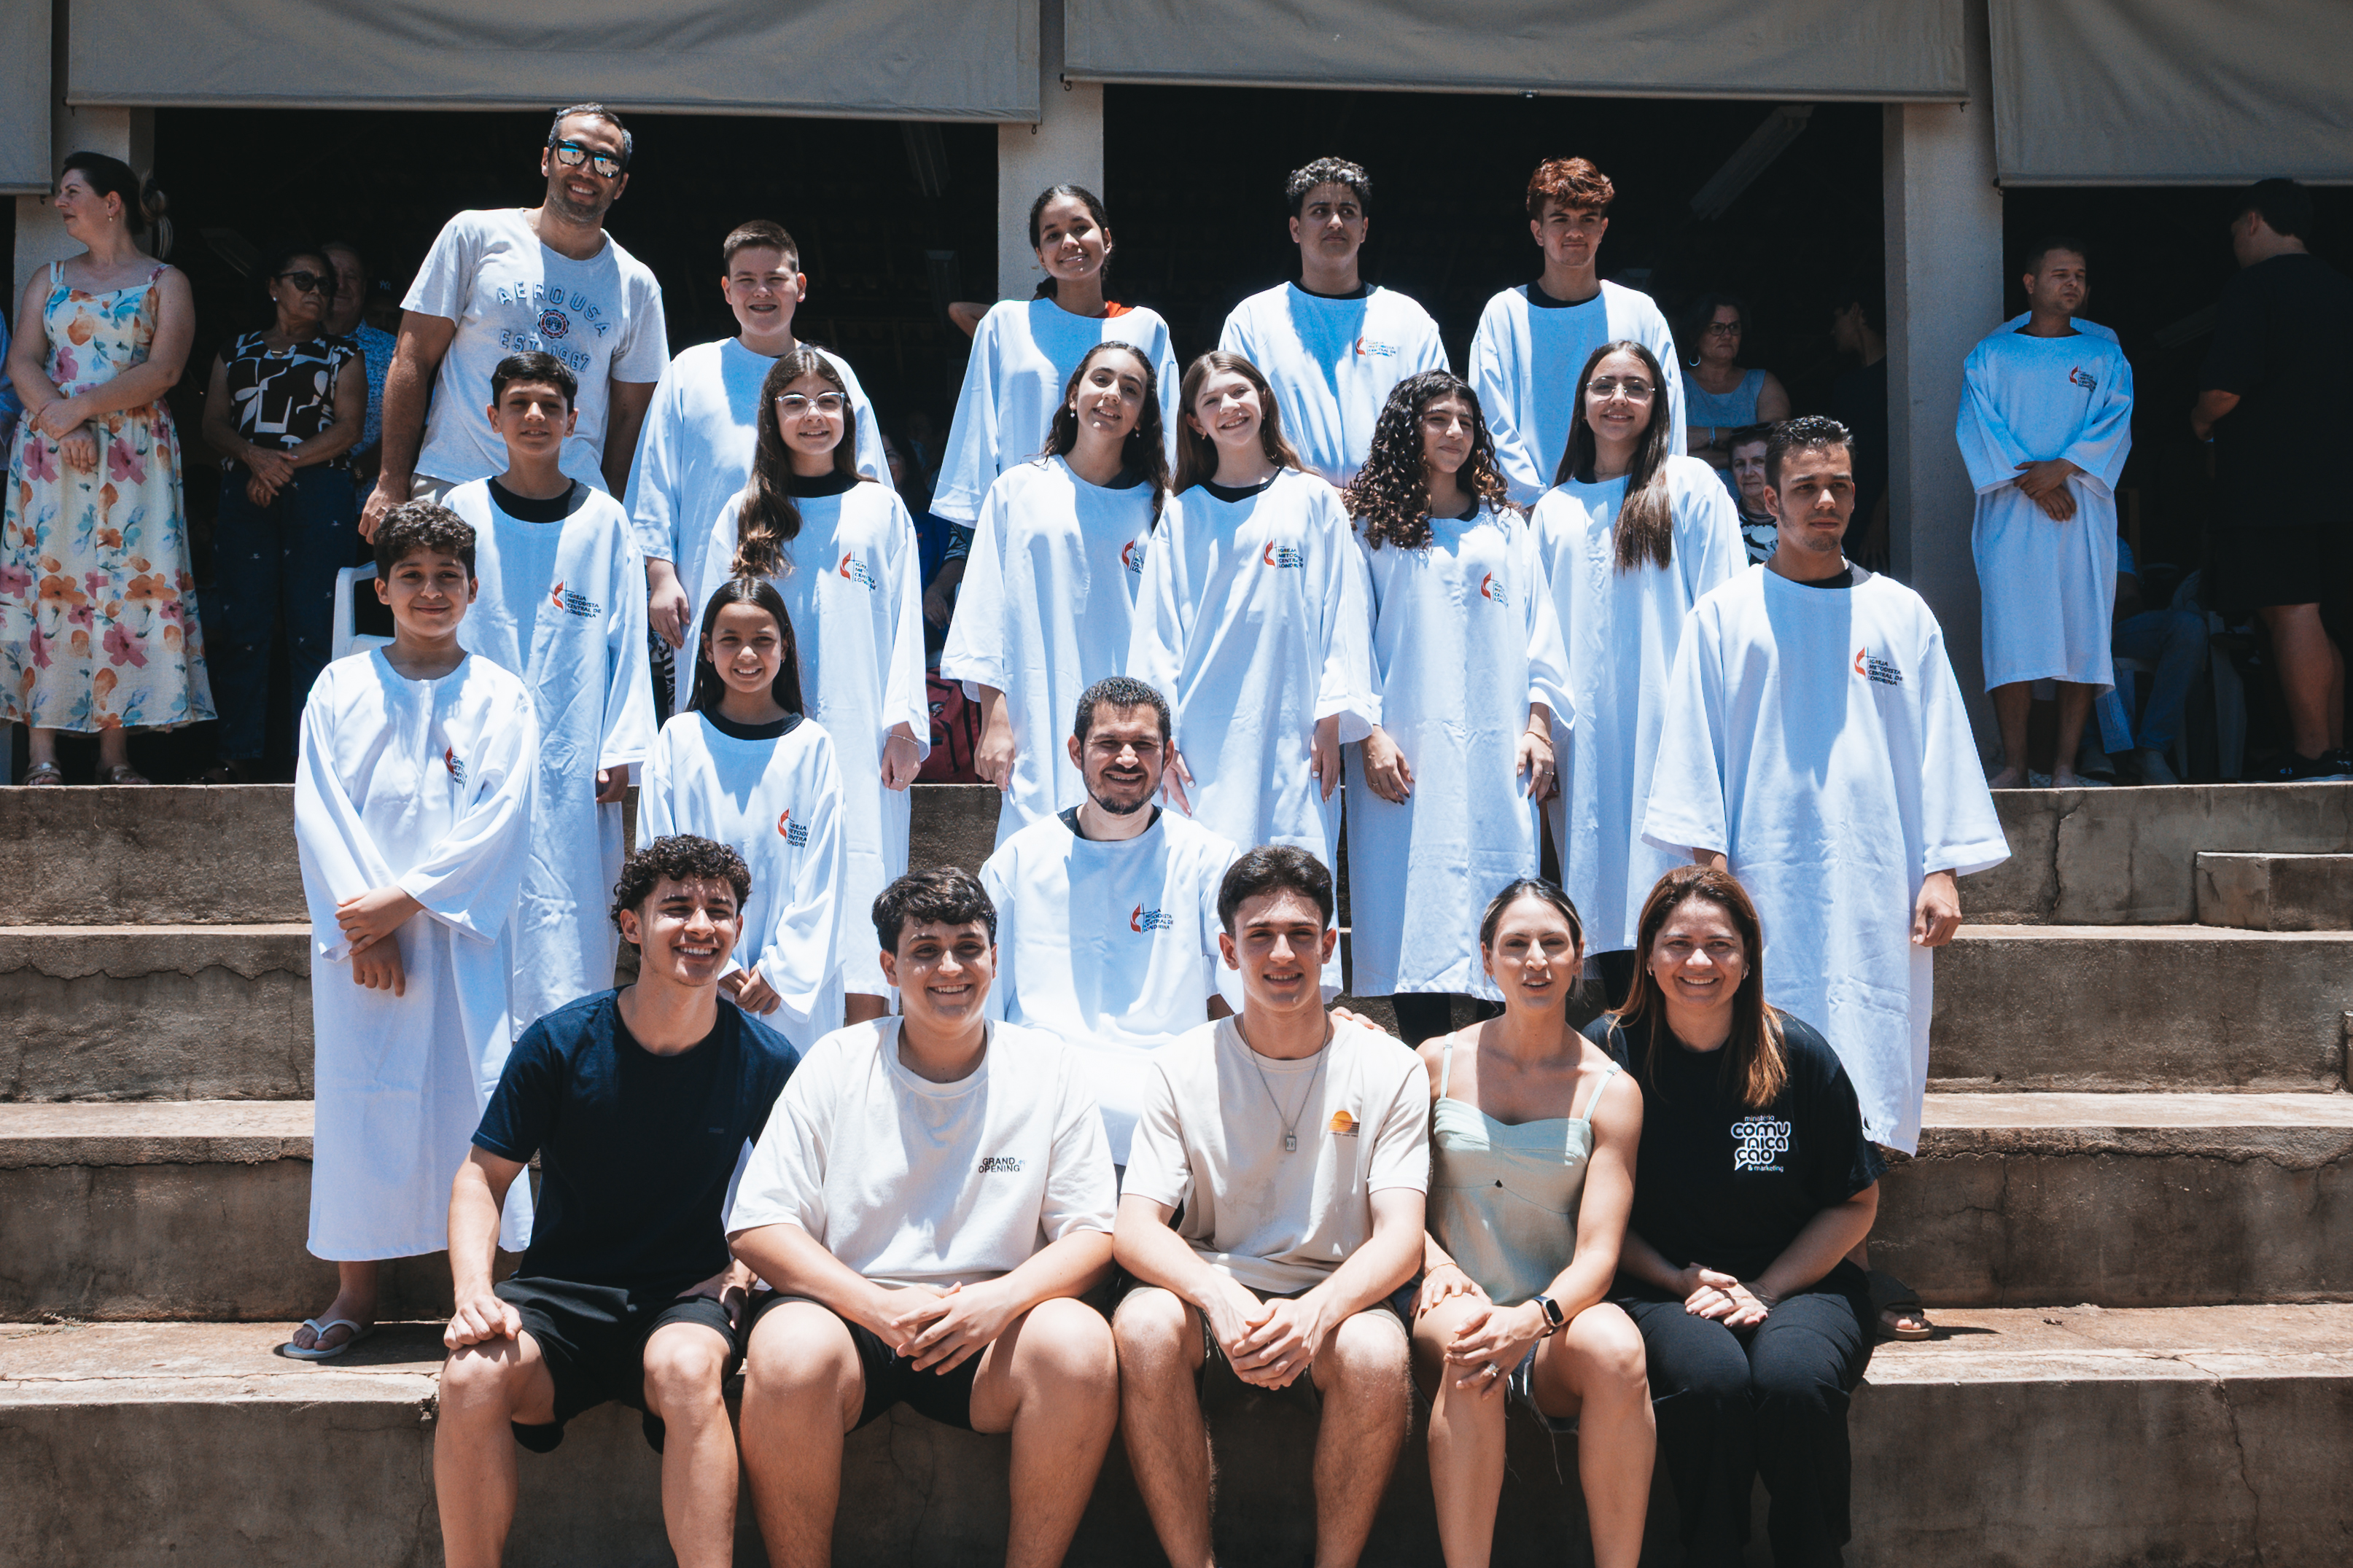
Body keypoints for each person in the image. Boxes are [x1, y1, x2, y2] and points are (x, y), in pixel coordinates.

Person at [1643, 416, 2008, 1340]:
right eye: (1804, 487)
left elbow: (1938, 748)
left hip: (1875, 884)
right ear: (1769, 498)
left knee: (1867, 1064)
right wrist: (1711, 885)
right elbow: (1691, 757)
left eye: (1839, 485)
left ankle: (1847, 1272)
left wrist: (1940, 870)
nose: (1824, 502)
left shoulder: (1901, 615)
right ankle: (1779, 1268)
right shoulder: (1724, 615)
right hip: (1762, 885)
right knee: (1766, 1074)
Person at [728, 867, 1120, 1568]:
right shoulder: (837, 1060)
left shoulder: (1047, 1066)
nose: (949, 968)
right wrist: (875, 1307)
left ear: (994, 958)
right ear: (889, 967)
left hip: (990, 1325)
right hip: (850, 1314)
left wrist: (1000, 1300)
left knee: (1080, 1344)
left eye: (968, 947)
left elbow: (1093, 1231)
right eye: (925, 950)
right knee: (786, 1351)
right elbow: (759, 1223)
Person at [435, 835, 796, 1568]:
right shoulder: (561, 1043)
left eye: (719, 910)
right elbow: (482, 1176)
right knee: (471, 1375)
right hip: (556, 1299)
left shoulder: (764, 1057)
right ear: (632, 925)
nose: (700, 925)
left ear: (738, 927)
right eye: (677, 907)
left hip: (682, 1298)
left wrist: (740, 1273)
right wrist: (473, 1293)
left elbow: (804, 1194)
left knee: (689, 1370)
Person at [1113, 846, 1429, 1568]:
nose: (1281, 954)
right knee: (1142, 1325)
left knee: (1377, 1352)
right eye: (1259, 935)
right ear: (1228, 950)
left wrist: (1315, 1312)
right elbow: (1134, 1227)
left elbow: (1400, 1236)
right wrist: (1218, 1297)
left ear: (1328, 945)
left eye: (1299, 934)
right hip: (1214, 1293)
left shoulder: (1390, 1066)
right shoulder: (1181, 1064)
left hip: (1337, 1296)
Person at [285, 502, 538, 1360]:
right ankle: (357, 1289)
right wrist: (368, 924)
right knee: (360, 1099)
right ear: (383, 590)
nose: (431, 592)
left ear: (473, 590)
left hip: (461, 940)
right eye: (412, 577)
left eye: (447, 578)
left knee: (475, 1102)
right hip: (362, 949)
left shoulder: (500, 695)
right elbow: (320, 811)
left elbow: (500, 817)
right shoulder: (341, 688)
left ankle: (480, 1289)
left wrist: (404, 903)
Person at [1592, 865, 1886, 1568]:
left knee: (1794, 1381)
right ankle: (1712, 1551)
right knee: (1710, 1381)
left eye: (1719, 944)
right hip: (1659, 1283)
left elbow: (1856, 1201)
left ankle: (1811, 1554)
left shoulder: (1798, 1052)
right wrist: (1675, 1277)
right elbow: (1586, 1208)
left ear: (1748, 957)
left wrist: (1768, 1288)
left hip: (1802, 1283)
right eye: (1678, 943)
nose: (1698, 962)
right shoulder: (1608, 1050)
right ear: (1647, 955)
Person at [1407, 879, 1650, 1568]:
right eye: (1515, 944)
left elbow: (1598, 1254)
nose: (1535, 960)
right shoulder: (1434, 1061)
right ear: (1487, 959)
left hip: (1554, 1315)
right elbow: (1386, 1198)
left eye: (1553, 943)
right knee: (1471, 1342)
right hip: (1450, 1297)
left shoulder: (1612, 1090)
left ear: (1578, 957)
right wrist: (1435, 1263)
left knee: (1618, 1349)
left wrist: (1535, 1317)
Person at [691, 347, 927, 1023]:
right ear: (771, 416)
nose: (812, 414)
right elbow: (712, 623)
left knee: (862, 889)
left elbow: (906, 622)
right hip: (761, 735)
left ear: (849, 415)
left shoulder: (880, 510)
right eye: (794, 400)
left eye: (827, 400)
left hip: (861, 737)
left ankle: (859, 1048)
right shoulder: (744, 512)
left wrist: (903, 724)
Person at [1342, 371, 1566, 1045]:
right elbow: (1349, 636)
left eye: (1465, 422)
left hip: (1500, 748)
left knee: (1504, 901)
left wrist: (1538, 727)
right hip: (1406, 750)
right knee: (1415, 909)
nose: (1454, 433)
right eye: (1438, 419)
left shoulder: (1504, 527)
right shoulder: (1371, 530)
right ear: (1406, 429)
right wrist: (1370, 733)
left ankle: (1504, 1068)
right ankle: (1426, 1070)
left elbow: (1541, 633)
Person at [446, 351, 656, 1032]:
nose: (534, 417)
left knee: (572, 903)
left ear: (573, 420)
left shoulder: (605, 521)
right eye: (519, 404)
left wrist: (621, 747)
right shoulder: (462, 511)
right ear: (492, 417)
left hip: (575, 750)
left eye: (549, 406)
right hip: (476, 748)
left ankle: (565, 1052)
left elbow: (627, 641)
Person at [1126, 353, 1375, 910]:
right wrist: (1160, 735)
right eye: (1211, 400)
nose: (1228, 407)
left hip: (1297, 727)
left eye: (1238, 392)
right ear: (1195, 423)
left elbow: (1343, 613)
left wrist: (1331, 717)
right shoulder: (1183, 515)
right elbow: (1158, 635)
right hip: (1203, 735)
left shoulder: (1313, 500)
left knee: (1297, 873)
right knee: (1212, 876)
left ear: (1262, 398)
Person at [1536, 341, 1742, 1009]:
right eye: (1604, 385)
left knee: (1670, 881)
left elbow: (1727, 607)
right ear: (1582, 404)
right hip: (1586, 736)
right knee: (1597, 882)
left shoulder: (1691, 486)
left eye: (1635, 386)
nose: (1618, 399)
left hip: (1673, 723)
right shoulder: (1554, 509)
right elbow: (1538, 636)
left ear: (1658, 402)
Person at [362, 104, 666, 539]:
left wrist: (611, 513)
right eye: (572, 152)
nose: (587, 169)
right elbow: (411, 359)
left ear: (620, 184)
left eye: (606, 162)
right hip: (453, 483)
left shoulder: (637, 284)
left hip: (570, 503)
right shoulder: (474, 236)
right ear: (546, 159)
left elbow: (630, 418)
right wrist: (391, 481)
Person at [2, 151, 209, 784]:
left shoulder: (166, 281)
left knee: (123, 588)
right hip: (52, 453)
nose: (60, 202)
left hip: (132, 453)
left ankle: (115, 754)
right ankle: (41, 754)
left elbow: (164, 369)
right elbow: (21, 361)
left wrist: (81, 410)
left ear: (111, 202)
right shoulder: (49, 277)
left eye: (72, 191)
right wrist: (62, 422)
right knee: (51, 585)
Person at [980, 676, 1239, 1164]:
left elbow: (1246, 986)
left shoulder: (1208, 859)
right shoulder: (1017, 862)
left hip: (1164, 1087)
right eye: (1108, 743)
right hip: (1042, 1092)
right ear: (1076, 751)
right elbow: (985, 1005)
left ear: (1167, 754)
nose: (1127, 758)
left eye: (1144, 744)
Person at [627, 220, 886, 702]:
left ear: (800, 287)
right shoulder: (689, 371)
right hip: (713, 581)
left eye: (775, 279)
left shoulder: (832, 374)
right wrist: (660, 577)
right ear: (727, 290)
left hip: (821, 578)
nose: (761, 292)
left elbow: (868, 487)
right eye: (746, 280)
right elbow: (655, 482)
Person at [941, 341, 1170, 843]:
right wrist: (995, 720)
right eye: (1101, 380)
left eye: (1130, 389)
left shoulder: (1160, 507)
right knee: (1038, 850)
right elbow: (983, 612)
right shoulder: (1017, 490)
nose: (1112, 395)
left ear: (1142, 417)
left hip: (1132, 727)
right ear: (1072, 395)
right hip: (1037, 715)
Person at [640, 577, 847, 1051]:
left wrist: (780, 971)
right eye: (730, 639)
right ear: (707, 648)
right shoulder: (678, 741)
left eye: (762, 640)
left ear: (785, 647)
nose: (747, 654)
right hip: (696, 966)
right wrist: (716, 958)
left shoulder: (813, 747)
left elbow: (826, 874)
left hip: (787, 996)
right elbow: (655, 859)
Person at [1959, 238, 2135, 790]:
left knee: (2081, 631)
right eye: (2060, 274)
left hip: (2080, 511)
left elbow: (2115, 421)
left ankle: (2064, 767)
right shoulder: (1991, 355)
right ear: (2030, 283)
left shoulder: (2105, 355)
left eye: (2079, 274)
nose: (2072, 283)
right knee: (2010, 632)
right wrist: (2033, 481)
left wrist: (2060, 469)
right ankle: (2015, 765)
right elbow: (1978, 427)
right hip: (2012, 513)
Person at [2193, 178, 2353, 781]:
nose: (2234, 242)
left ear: (2254, 221)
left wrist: (2198, 420)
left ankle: (2312, 754)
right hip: (2338, 484)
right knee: (2320, 617)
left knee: (2289, 611)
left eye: (2235, 229)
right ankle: (2332, 752)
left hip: (2272, 484)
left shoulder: (2254, 287)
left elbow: (2223, 390)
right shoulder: (2341, 289)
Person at [196, 243, 367, 781]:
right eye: (304, 280)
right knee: (244, 623)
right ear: (273, 287)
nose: (317, 292)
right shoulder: (236, 350)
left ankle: (309, 760)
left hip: (318, 492)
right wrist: (253, 457)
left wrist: (276, 465)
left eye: (324, 285)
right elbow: (212, 424)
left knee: (314, 627)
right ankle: (236, 754)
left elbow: (349, 428)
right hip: (247, 492)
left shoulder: (344, 354)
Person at [933, 185, 1181, 526]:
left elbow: (1165, 432)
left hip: (1120, 520)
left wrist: (1169, 510)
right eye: (1052, 235)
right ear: (1040, 255)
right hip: (1025, 517)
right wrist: (976, 528)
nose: (1068, 242)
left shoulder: (1147, 327)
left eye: (1080, 228)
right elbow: (977, 427)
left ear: (1107, 239)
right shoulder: (1005, 323)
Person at [1217, 157, 1449, 487]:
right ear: (1295, 229)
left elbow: (1440, 422)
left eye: (1348, 211)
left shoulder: (1410, 320)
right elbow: (1233, 425)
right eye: (1321, 211)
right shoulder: (1252, 320)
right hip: (1285, 507)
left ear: (1364, 229)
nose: (1336, 222)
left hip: (1391, 508)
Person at [1469, 157, 1684, 507]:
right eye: (1561, 219)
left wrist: (1653, 495)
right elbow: (1490, 418)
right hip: (1528, 512)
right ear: (1538, 231)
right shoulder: (1505, 313)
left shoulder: (1640, 312)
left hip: (1631, 504)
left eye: (1587, 219)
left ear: (1603, 229)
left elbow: (1668, 413)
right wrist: (1533, 503)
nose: (1575, 232)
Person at [2095, 535, 2208, 786]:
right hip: (2065, 633)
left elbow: (2131, 599)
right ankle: (2086, 748)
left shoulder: (2113, 541)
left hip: (2114, 629)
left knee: (2188, 627)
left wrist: (2110, 618)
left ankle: (2150, 750)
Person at [1680, 292, 1790, 483]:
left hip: (1756, 498)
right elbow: (1668, 452)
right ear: (1695, 335)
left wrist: (1708, 436)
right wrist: (1746, 451)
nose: (1727, 335)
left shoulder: (1762, 382)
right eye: (1717, 328)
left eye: (1734, 327)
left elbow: (1776, 443)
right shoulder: (1677, 384)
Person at [321, 240, 397, 485]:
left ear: (364, 288)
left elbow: (412, 429)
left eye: (351, 277)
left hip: (368, 499)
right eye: (332, 276)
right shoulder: (286, 346)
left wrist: (353, 475)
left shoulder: (395, 352)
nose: (341, 285)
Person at [1827, 282, 1890, 569]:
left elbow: (1903, 456)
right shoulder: (1845, 386)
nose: (1833, 331)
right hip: (1850, 514)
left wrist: (1879, 519)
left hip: (1884, 521)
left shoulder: (1897, 377)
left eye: (1836, 318)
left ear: (1855, 312)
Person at [1727, 424, 1779, 564]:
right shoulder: (1724, 524)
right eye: (1740, 464)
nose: (1748, 473)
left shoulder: (1799, 520)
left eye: (1758, 462)